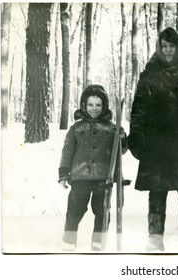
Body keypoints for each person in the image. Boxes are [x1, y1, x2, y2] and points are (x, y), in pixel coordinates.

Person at [127, 27, 178, 252]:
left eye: (172, 46)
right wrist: (137, 135)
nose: (168, 50)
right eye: (164, 46)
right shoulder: (150, 73)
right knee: (157, 192)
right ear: (159, 47)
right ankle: (155, 240)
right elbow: (139, 107)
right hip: (157, 144)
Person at [58, 84, 127, 251]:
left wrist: (123, 138)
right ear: (84, 105)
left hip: (104, 178)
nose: (94, 109)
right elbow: (67, 150)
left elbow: (121, 151)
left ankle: (98, 242)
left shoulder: (111, 128)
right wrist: (63, 173)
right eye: (90, 105)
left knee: (102, 211)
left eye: (98, 105)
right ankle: (69, 240)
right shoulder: (76, 128)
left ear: (104, 107)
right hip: (79, 177)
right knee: (75, 210)